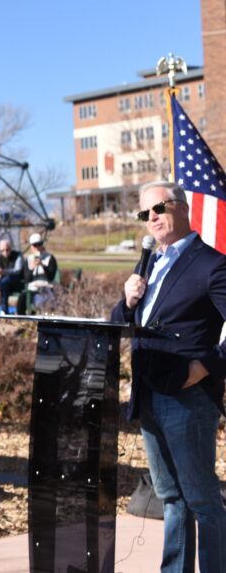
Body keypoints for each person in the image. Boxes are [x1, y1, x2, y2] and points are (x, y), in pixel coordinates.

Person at [112, 180, 226, 572]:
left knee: (202, 499)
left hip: (187, 397)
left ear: (181, 207)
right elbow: (121, 321)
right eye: (145, 214)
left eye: (158, 208)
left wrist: (206, 366)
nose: (152, 218)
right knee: (171, 497)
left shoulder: (212, 264)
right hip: (149, 393)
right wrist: (127, 301)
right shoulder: (150, 262)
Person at [23, 232, 57, 311]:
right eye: (35, 245)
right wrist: (31, 268)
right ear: (31, 246)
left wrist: (42, 264)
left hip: (46, 288)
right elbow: (26, 279)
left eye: (39, 244)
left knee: (41, 300)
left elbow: (51, 276)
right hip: (32, 289)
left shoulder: (50, 258)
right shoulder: (28, 259)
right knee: (22, 299)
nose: (37, 247)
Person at [0, 237, 24, 315]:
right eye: (2, 250)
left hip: (17, 282)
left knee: (5, 280)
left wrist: (5, 272)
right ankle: (4, 309)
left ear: (10, 248)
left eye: (7, 249)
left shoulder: (18, 255)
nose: (5, 252)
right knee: (3, 282)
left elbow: (18, 270)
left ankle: (4, 309)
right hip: (5, 284)